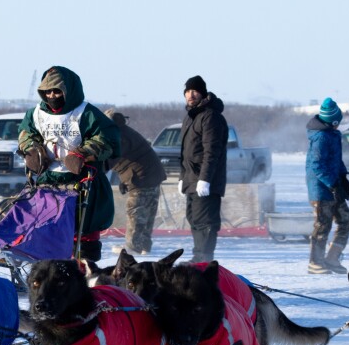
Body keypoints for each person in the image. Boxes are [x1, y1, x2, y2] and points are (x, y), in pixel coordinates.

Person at [18, 66, 120, 262]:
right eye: (48, 91)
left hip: (81, 180)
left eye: (57, 91)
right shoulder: (35, 114)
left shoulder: (87, 113)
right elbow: (26, 134)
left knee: (83, 228)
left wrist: (84, 153)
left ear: (68, 91)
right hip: (48, 180)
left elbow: (108, 137)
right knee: (48, 229)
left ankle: (85, 270)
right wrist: (33, 150)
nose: (52, 95)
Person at [105, 109, 166, 256]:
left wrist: (96, 169)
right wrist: (124, 179)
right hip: (150, 175)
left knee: (136, 210)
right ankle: (144, 244)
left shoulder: (118, 135)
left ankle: (133, 247)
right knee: (148, 211)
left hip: (142, 177)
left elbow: (111, 157)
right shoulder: (124, 131)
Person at [179, 75, 228, 263]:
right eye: (187, 92)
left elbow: (211, 152)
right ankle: (198, 258)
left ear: (203, 93)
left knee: (205, 222)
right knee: (194, 219)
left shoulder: (210, 117)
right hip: (192, 179)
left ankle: (204, 261)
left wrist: (205, 179)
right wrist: (183, 177)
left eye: (195, 91)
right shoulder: (191, 117)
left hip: (205, 181)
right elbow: (185, 152)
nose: (190, 95)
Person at [305, 97, 349, 274]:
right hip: (321, 190)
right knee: (322, 225)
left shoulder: (333, 135)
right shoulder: (321, 137)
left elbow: (336, 160)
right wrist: (332, 184)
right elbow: (317, 165)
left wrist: (343, 178)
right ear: (333, 120)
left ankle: (332, 258)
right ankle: (315, 261)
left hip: (334, 187)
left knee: (346, 223)